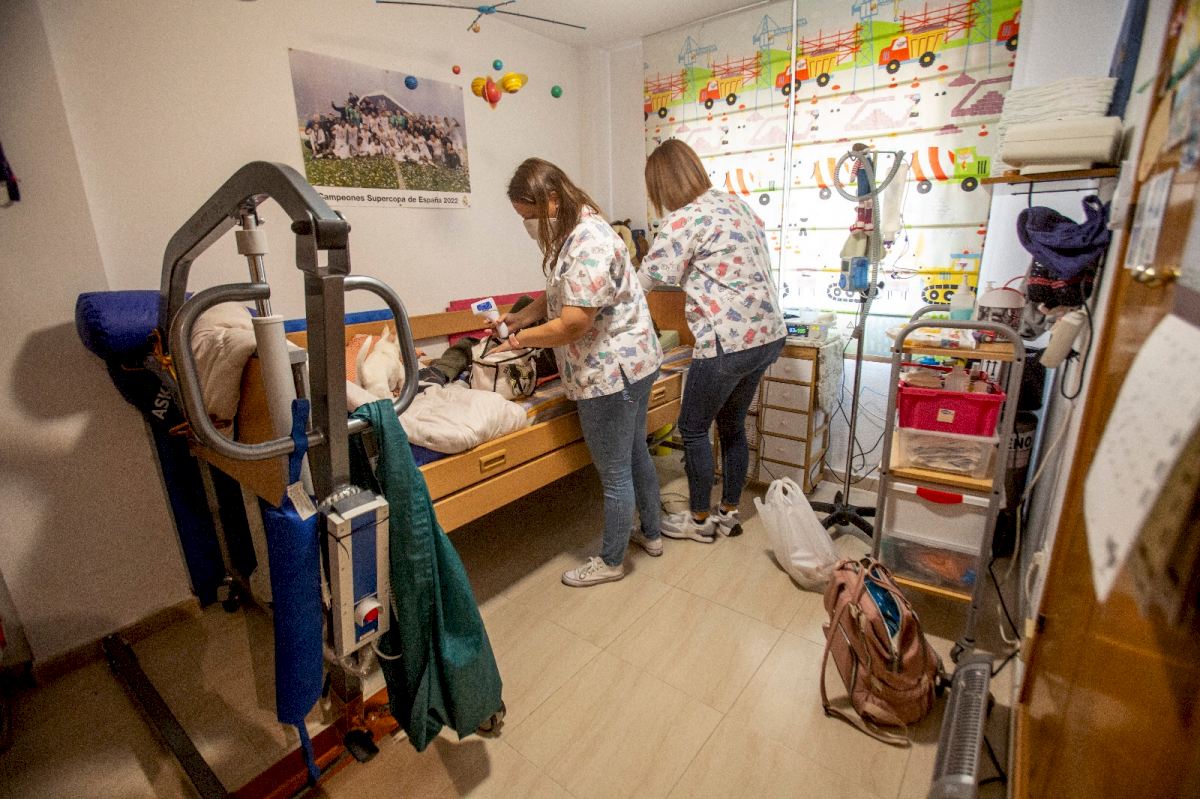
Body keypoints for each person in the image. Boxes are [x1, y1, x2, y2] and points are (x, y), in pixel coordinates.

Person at [490, 158, 664, 587]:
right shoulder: (580, 230)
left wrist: (519, 341)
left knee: (615, 472)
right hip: (634, 362)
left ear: (552, 199)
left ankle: (611, 561)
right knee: (635, 453)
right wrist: (523, 316)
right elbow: (563, 292)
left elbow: (573, 324)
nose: (528, 226)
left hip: (611, 374)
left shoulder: (588, 242)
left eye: (530, 216)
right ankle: (653, 534)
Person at [640, 139, 787, 541]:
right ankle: (729, 512)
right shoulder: (737, 205)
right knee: (733, 425)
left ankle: (700, 520)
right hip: (768, 335)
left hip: (729, 341)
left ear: (661, 185)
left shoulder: (684, 219)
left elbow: (646, 280)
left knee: (692, 428)